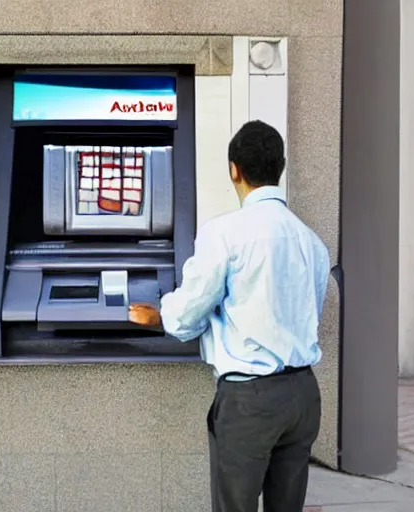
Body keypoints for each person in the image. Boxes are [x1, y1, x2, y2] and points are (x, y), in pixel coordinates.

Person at [129, 120, 330, 512]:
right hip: (303, 395)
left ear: (233, 169)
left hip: (250, 400)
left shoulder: (224, 233)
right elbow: (309, 312)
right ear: (281, 167)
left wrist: (160, 318)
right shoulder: (311, 241)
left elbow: (190, 310)